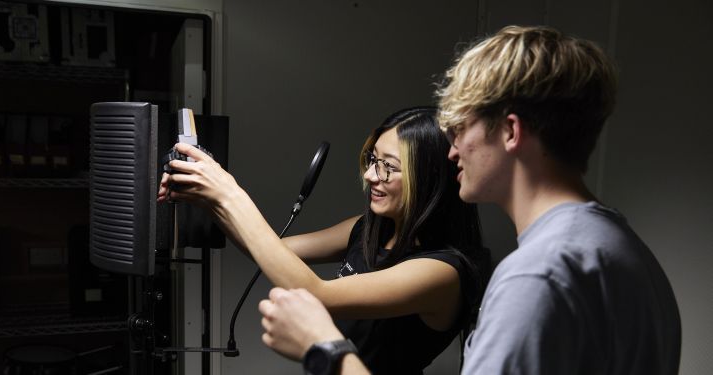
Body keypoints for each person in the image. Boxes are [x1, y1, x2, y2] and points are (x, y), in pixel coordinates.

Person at [258, 25, 682, 375]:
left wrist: (324, 350)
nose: (451, 150)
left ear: (511, 133)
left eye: (461, 127)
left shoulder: (537, 275)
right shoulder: (620, 247)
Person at [158, 106, 490, 374]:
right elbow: (272, 252)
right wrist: (208, 199)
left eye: (388, 166)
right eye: (372, 160)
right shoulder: (369, 228)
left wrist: (230, 194)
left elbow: (318, 293)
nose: (372, 175)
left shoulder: (443, 272)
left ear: (429, 181)